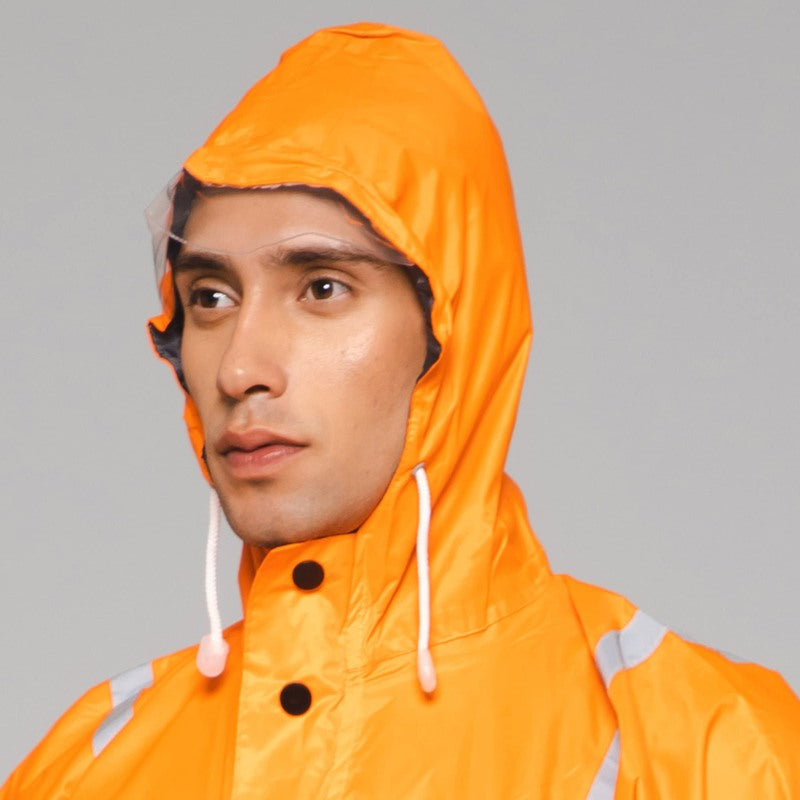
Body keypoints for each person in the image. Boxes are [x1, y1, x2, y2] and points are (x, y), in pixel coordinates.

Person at [3, 21, 799, 799]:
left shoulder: (707, 749)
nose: (240, 368)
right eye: (210, 297)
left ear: (453, 328)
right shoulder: (89, 767)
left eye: (322, 288)